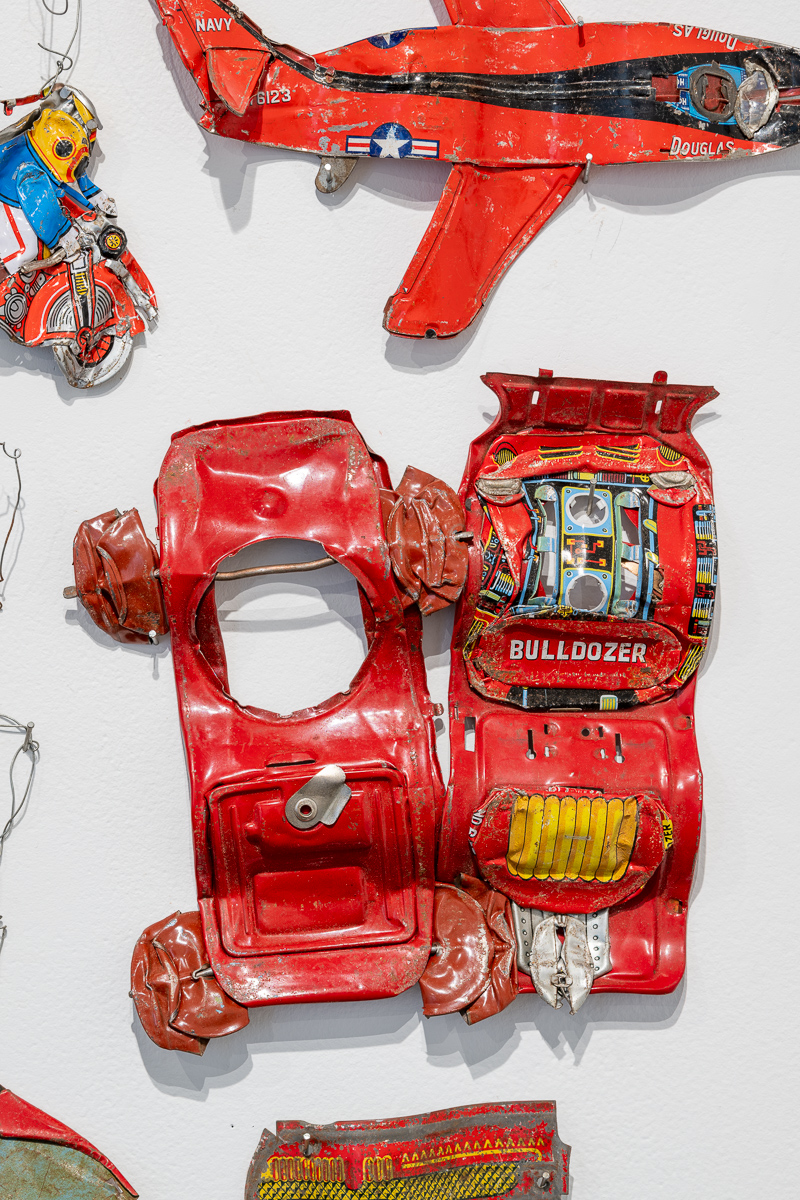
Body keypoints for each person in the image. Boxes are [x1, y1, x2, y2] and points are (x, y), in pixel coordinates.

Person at [0, 84, 116, 278]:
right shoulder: (35, 162)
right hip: (7, 195)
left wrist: (94, 200)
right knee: (26, 250)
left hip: (8, 192)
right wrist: (63, 234)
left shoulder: (33, 142)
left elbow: (67, 182)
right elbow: (37, 196)